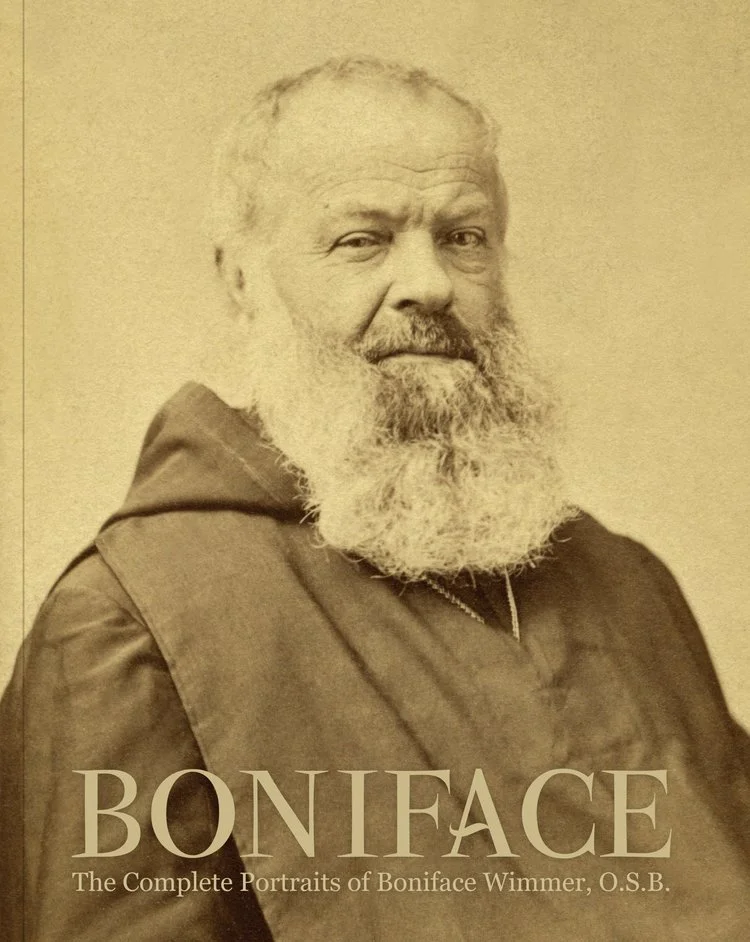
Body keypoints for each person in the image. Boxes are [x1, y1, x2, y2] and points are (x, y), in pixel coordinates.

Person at [2, 57, 749, 942]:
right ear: (241, 278)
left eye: (464, 237)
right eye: (362, 240)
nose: (431, 284)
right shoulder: (126, 625)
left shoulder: (628, 584)